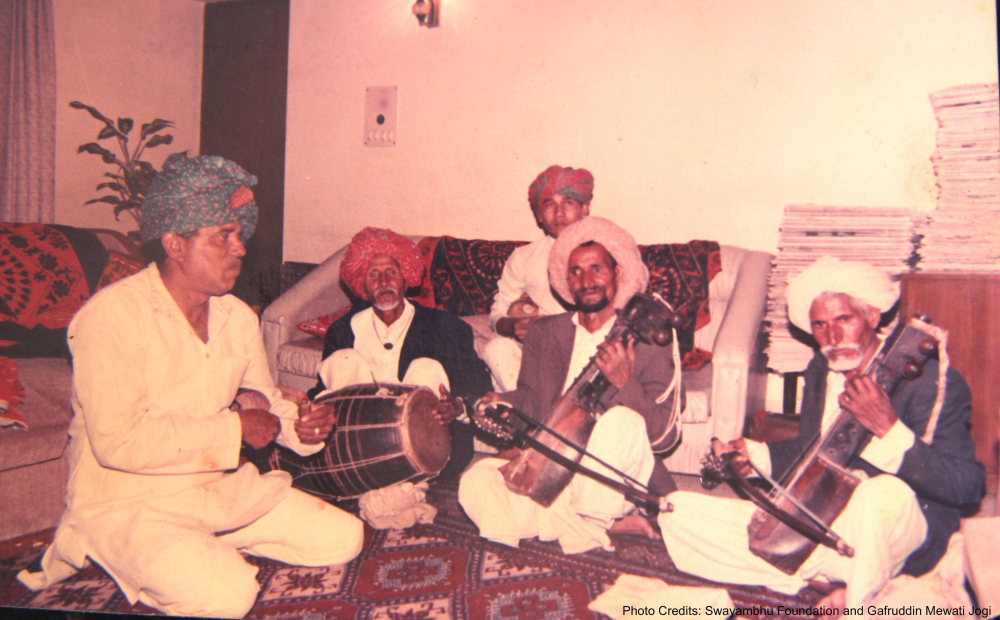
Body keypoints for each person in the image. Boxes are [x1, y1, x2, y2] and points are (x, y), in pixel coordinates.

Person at [17, 153, 363, 618]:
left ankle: (194, 549)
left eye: (238, 235)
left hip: (211, 489)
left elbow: (265, 401)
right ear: (175, 244)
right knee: (226, 595)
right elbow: (118, 443)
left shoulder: (236, 317)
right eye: (223, 236)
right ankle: (128, 550)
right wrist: (235, 430)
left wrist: (299, 428)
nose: (238, 249)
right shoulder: (111, 317)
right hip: (127, 501)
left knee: (344, 538)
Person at [659, 256, 985, 609]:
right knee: (678, 512)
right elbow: (815, 452)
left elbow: (967, 487)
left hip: (899, 535)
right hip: (827, 523)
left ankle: (856, 601)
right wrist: (757, 456)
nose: (832, 337)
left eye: (844, 319)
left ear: (872, 316)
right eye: (819, 325)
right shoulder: (821, 370)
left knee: (878, 495)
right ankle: (842, 577)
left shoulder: (928, 381)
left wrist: (888, 430)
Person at [459, 217, 682, 555]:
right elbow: (532, 403)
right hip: (553, 470)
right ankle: (595, 524)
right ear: (565, 280)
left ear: (617, 274)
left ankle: (582, 521)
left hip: (613, 476)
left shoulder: (649, 338)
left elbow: (664, 436)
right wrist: (502, 403)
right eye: (575, 271)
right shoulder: (545, 332)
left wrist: (626, 384)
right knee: (475, 481)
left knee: (619, 422)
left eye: (597, 269)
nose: (587, 280)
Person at [270, 227, 493, 497]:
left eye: (392, 272)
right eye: (373, 274)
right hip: (359, 445)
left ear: (406, 278)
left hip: (427, 443)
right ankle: (365, 473)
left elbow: (476, 381)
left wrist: (456, 406)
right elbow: (325, 389)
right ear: (361, 284)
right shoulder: (342, 331)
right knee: (345, 360)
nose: (383, 282)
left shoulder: (445, 325)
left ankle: (403, 477)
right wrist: (306, 412)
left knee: (426, 366)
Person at [483, 165, 593, 390]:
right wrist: (514, 327)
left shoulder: (604, 252)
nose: (559, 213)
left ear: (585, 209)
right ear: (540, 216)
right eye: (549, 205)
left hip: (588, 351)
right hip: (538, 355)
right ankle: (533, 415)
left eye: (568, 203)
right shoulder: (524, 257)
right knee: (495, 350)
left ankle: (540, 415)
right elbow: (498, 314)